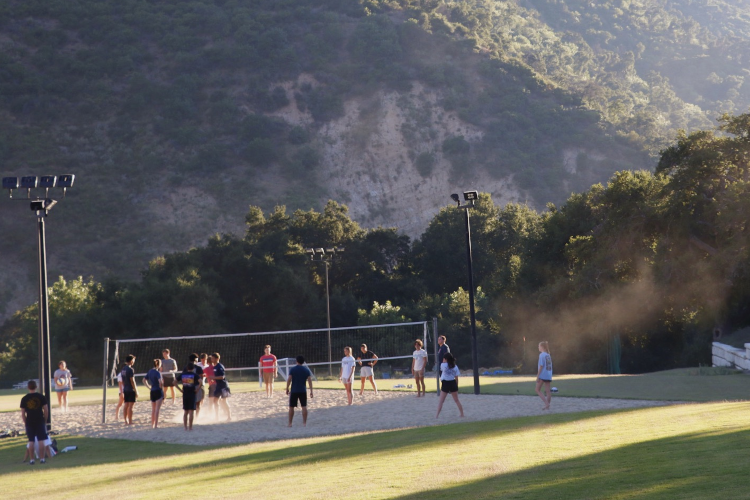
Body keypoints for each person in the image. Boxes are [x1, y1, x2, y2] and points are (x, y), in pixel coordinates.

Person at [20, 380, 49, 465]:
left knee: (31, 441)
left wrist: (25, 422)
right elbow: (46, 410)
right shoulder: (41, 397)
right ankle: (42, 459)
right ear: (36, 387)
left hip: (29, 420)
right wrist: (45, 419)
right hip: (39, 419)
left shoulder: (24, 398)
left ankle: (32, 459)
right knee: (41, 440)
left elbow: (23, 413)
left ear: (28, 387)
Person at [285, 355, 313, 427]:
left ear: (296, 361)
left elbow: (289, 379)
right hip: (303, 390)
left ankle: (290, 423)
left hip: (294, 390)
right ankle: (304, 423)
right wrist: (311, 391)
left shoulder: (293, 369)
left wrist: (287, 388)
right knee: (304, 406)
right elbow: (310, 381)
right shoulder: (306, 370)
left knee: (291, 407)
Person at [436, 353, 464, 419]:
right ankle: (462, 414)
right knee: (456, 400)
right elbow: (456, 378)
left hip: (445, 383)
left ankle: (437, 415)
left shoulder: (443, 365)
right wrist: (456, 386)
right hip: (453, 383)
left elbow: (442, 370)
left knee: (441, 401)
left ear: (445, 359)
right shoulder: (455, 366)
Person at [207, 352, 231, 421]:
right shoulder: (215, 366)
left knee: (224, 401)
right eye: (211, 358)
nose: (211, 359)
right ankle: (217, 416)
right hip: (218, 386)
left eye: (213, 358)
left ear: (217, 358)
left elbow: (222, 377)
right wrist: (213, 379)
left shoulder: (219, 366)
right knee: (215, 400)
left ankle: (229, 416)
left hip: (223, 386)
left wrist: (213, 377)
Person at [144, 359, 164, 429]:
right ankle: (156, 425)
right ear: (159, 364)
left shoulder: (150, 371)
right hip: (158, 391)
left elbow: (144, 380)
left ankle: (152, 424)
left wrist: (148, 387)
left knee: (153, 409)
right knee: (157, 409)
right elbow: (160, 382)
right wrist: (161, 387)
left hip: (152, 391)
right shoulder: (157, 372)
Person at [180, 362, 199, 431]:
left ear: (187, 368)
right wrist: (197, 389)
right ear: (193, 368)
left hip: (185, 394)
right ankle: (190, 427)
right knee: (191, 412)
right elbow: (200, 382)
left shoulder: (183, 375)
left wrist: (180, 389)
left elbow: (174, 382)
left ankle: (185, 427)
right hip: (192, 394)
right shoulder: (194, 375)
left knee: (185, 412)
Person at [121, 355, 139, 425]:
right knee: (131, 406)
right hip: (131, 389)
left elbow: (122, 380)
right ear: (131, 361)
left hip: (125, 389)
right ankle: (130, 421)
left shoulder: (123, 369)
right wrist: (136, 390)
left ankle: (126, 421)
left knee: (126, 405)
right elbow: (132, 380)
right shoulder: (130, 369)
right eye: (133, 360)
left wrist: (124, 387)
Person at [536, 341, 553, 410]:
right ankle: (547, 406)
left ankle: (547, 404)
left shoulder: (541, 355)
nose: (538, 347)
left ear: (542, 347)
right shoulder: (548, 355)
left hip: (543, 375)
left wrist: (538, 376)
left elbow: (541, 366)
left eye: (539, 346)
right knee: (548, 391)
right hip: (548, 374)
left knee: (537, 389)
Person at [203, 353, 217, 417]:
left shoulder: (206, 369)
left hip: (212, 385)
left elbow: (201, 374)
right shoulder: (216, 368)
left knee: (211, 402)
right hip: (218, 385)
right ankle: (217, 415)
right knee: (217, 401)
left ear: (207, 362)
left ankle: (210, 414)